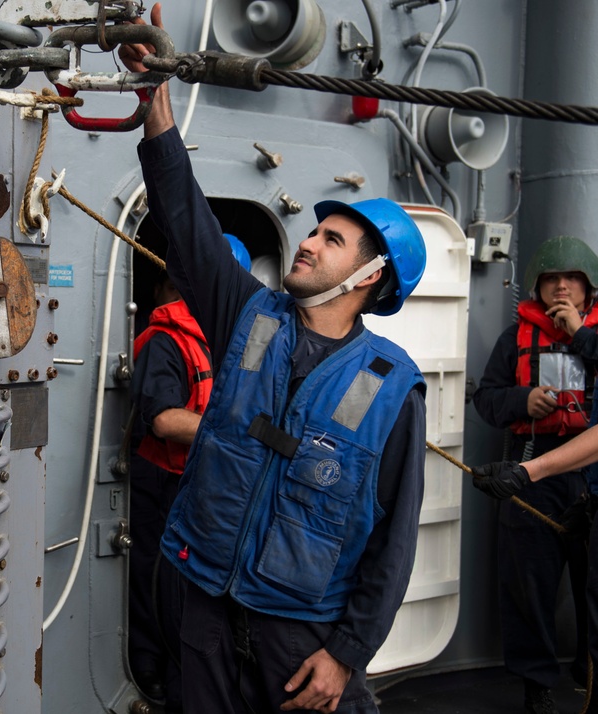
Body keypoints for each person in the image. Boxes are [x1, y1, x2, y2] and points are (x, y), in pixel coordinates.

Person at [120, 6, 429, 712]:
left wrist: (348, 656)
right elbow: (187, 220)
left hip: (299, 634)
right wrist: (153, 96)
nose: (310, 243)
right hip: (201, 603)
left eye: (333, 240)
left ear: (368, 277)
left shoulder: (390, 388)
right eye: (314, 231)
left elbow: (394, 542)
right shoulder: (248, 317)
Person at [471, 235, 598, 713]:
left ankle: (590, 670)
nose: (561, 287)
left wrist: (582, 334)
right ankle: (535, 682)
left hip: (593, 471)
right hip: (535, 465)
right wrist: (521, 401)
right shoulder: (515, 338)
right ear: (536, 287)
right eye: (551, 279)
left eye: (572, 279)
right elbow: (486, 399)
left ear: (589, 288)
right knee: (528, 581)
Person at [128, 235, 251, 710]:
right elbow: (163, 418)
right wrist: (237, 436)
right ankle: (149, 663)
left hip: (210, 482)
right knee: (153, 579)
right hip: (164, 482)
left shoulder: (237, 342)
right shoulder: (166, 341)